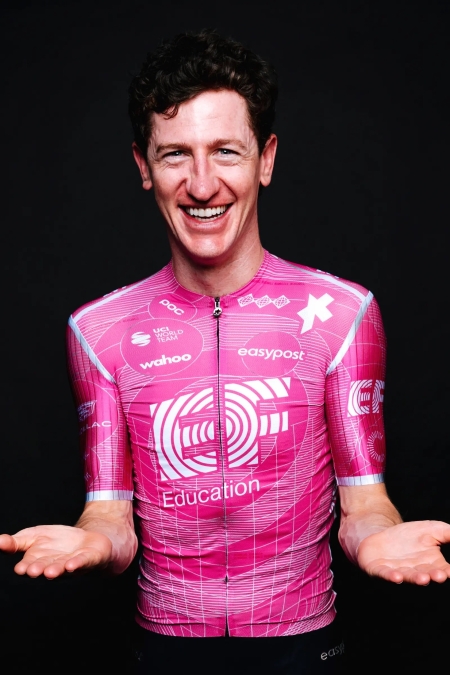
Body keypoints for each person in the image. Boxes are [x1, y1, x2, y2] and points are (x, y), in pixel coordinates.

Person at [1, 29, 449, 675]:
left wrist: (378, 536)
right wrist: (93, 541)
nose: (202, 184)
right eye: (176, 155)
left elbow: (363, 503)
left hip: (301, 646)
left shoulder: (345, 314)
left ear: (266, 159)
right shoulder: (98, 330)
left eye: (226, 152)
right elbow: (112, 519)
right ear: (143, 166)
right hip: (165, 646)